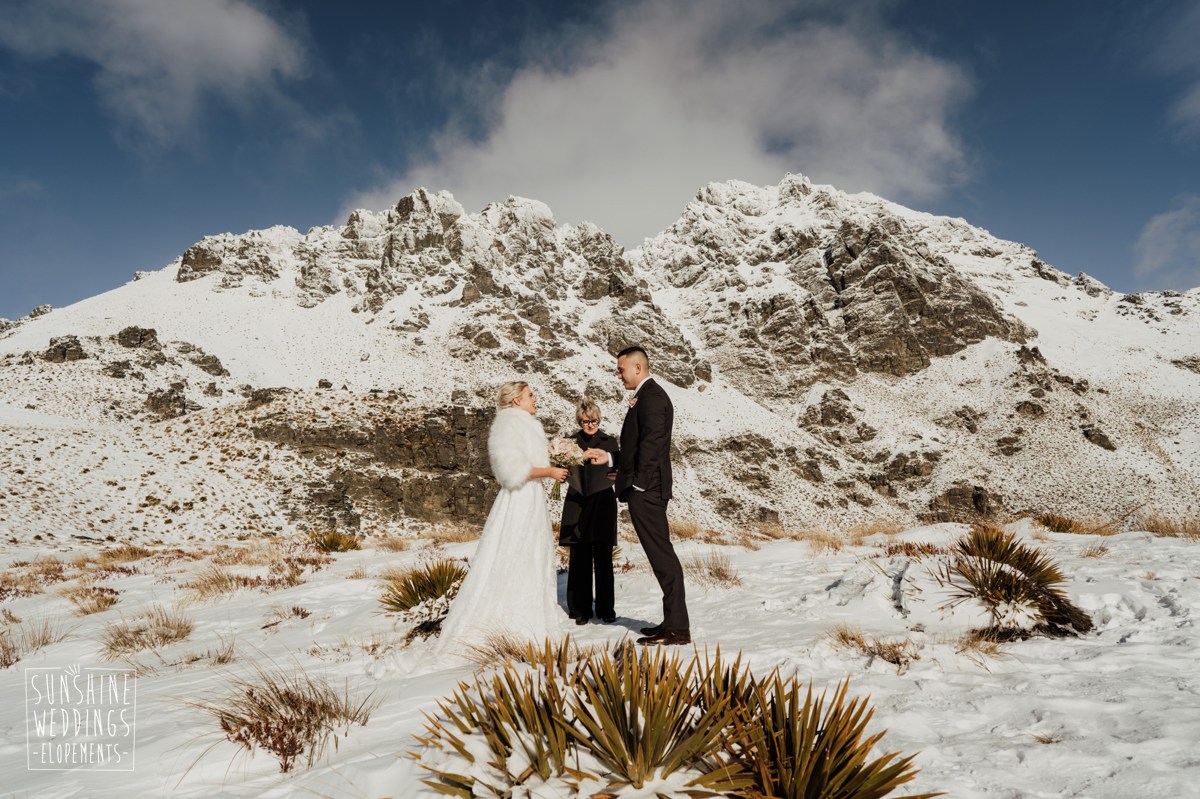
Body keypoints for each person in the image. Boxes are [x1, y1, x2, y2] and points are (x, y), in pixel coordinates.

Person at [436, 381, 568, 655]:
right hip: (519, 501)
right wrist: (549, 472)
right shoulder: (508, 425)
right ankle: (510, 620)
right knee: (515, 554)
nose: (535, 398)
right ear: (517, 399)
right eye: (530, 395)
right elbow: (512, 470)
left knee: (533, 555)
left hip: (533, 500)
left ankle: (531, 612)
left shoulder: (528, 423)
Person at [585, 346, 690, 646]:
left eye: (621, 370)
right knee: (660, 555)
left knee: (662, 555)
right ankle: (672, 622)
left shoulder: (653, 398)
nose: (618, 375)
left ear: (637, 368)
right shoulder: (645, 397)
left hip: (649, 490)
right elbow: (636, 448)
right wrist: (619, 469)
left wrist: (639, 484)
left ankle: (678, 629)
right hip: (643, 486)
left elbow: (652, 445)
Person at [559, 397, 619, 626]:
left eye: (594, 421)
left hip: (603, 501)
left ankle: (606, 608)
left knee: (603, 557)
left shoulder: (610, 442)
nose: (591, 425)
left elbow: (618, 468)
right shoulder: (570, 443)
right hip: (578, 502)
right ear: (579, 422)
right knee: (579, 557)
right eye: (586, 422)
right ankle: (579, 609)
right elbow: (562, 469)